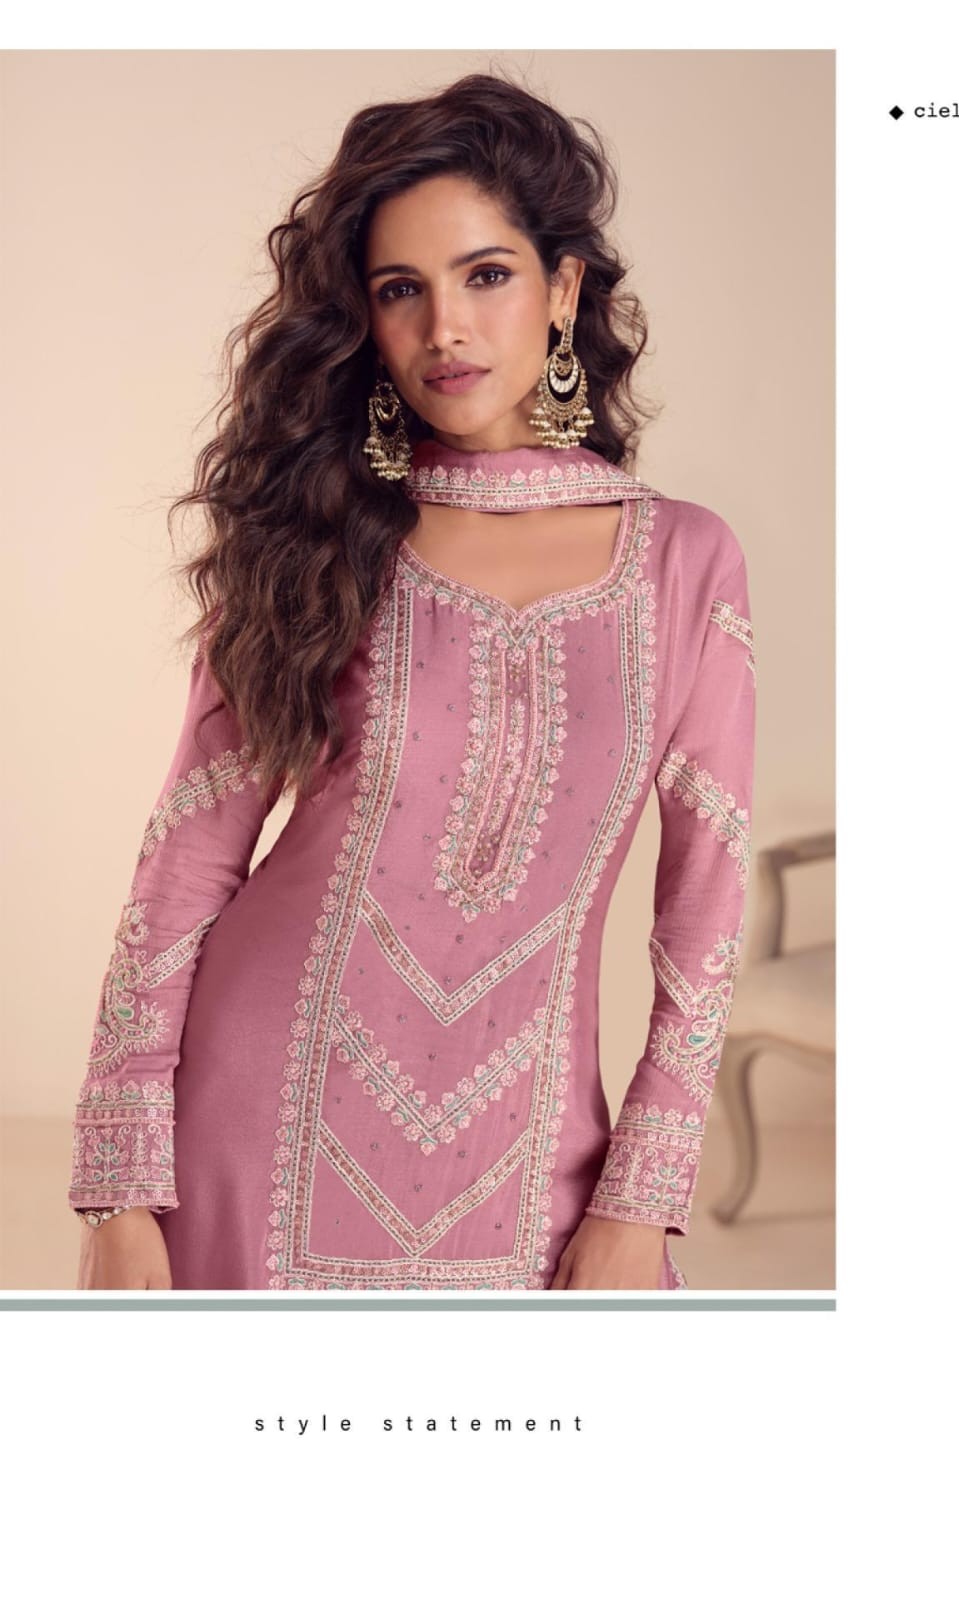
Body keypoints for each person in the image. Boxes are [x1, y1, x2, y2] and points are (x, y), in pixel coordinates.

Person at [70, 71, 756, 1292]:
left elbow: (703, 907)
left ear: (562, 290)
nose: (446, 327)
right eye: (402, 290)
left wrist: (643, 1196)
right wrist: (121, 1187)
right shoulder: (318, 537)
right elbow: (187, 861)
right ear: (367, 319)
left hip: (537, 1154)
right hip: (254, 1129)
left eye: (485, 275)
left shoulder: (684, 562)